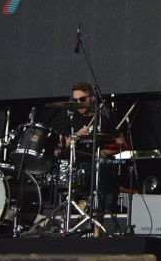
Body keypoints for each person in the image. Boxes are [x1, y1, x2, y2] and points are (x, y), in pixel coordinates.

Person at [52, 82, 128, 221]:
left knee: (100, 170)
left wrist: (105, 151)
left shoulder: (104, 117)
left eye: (82, 99)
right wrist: (75, 136)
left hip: (97, 163)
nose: (78, 103)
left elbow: (122, 144)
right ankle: (64, 219)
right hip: (75, 164)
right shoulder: (70, 118)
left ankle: (97, 219)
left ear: (92, 98)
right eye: (75, 100)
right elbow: (58, 149)